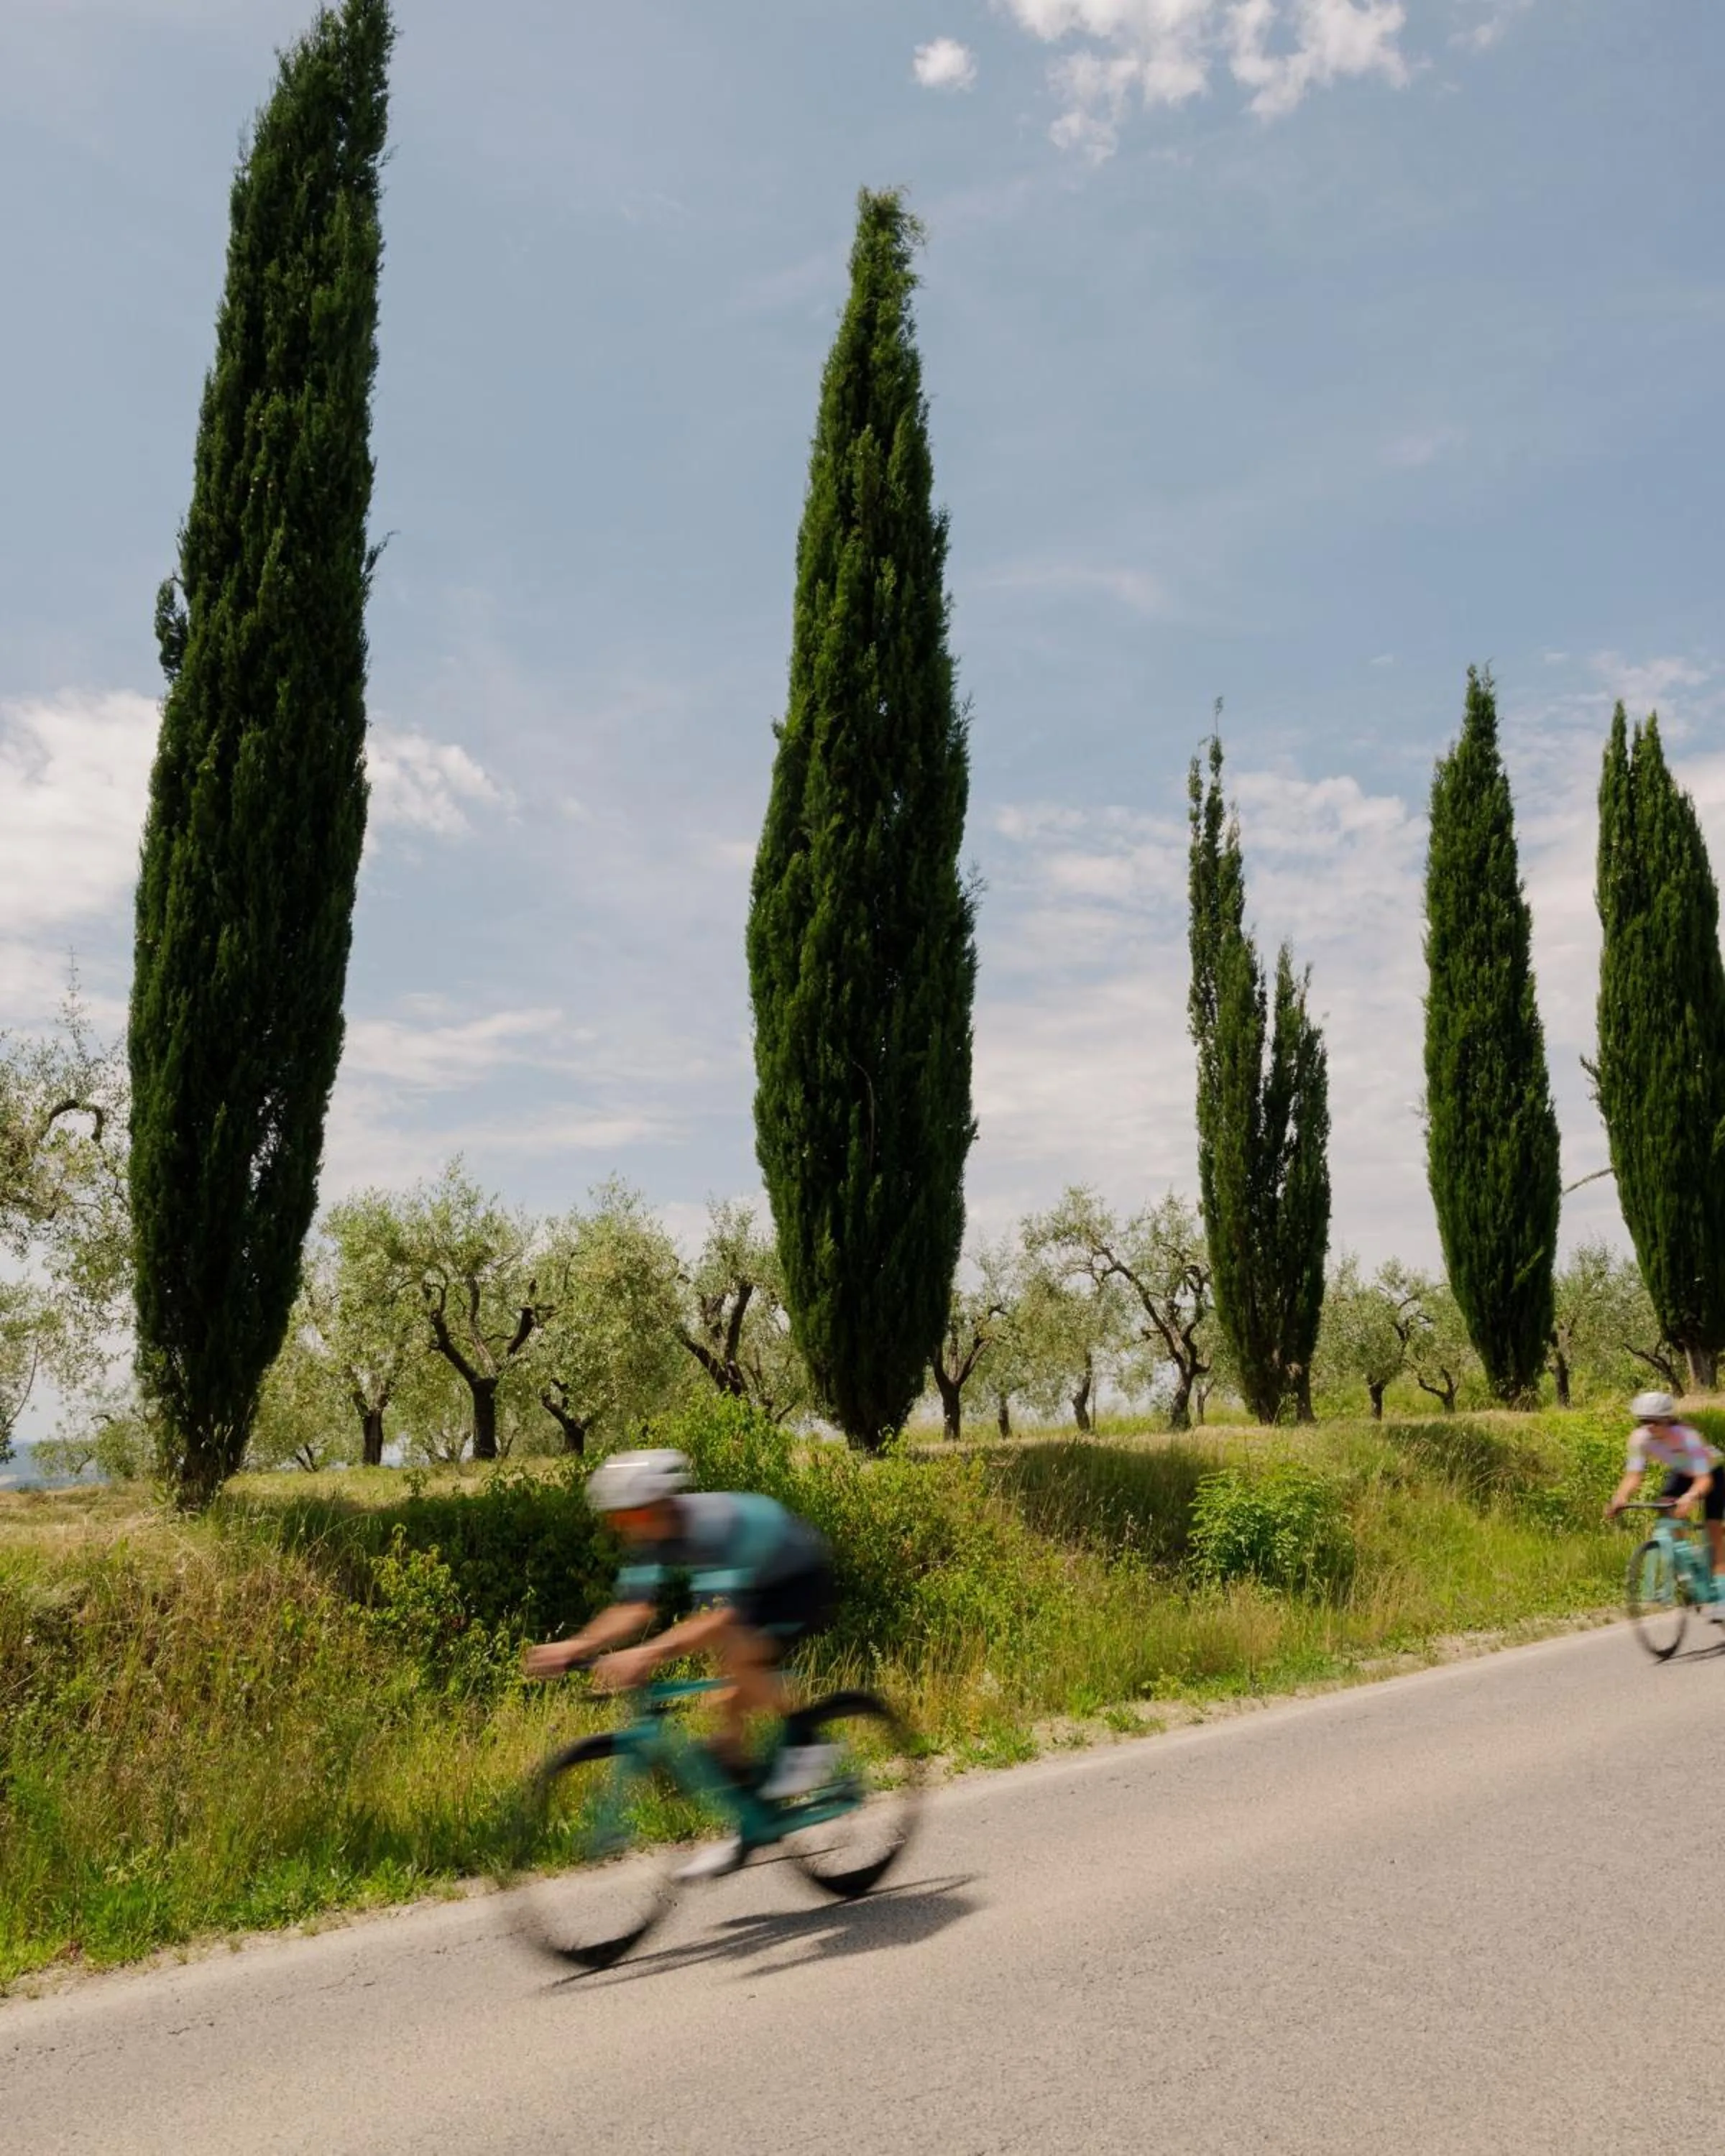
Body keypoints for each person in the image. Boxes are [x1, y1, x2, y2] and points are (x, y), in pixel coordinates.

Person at [523, 1448, 837, 1878]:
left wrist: (648, 1653)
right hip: (756, 1580)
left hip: (797, 1575)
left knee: (740, 1659)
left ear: (657, 1504)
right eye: (615, 1518)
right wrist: (575, 1646)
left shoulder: (708, 1529)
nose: (620, 1526)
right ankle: (750, 1824)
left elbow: (718, 1616)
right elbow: (634, 1610)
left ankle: (808, 1741)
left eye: (627, 1516)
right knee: (725, 1707)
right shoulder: (651, 1537)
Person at [1605, 1391, 1725, 1600]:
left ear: (1667, 1419)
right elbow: (1634, 1476)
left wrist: (1690, 1497)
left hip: (1711, 1473)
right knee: (1666, 1509)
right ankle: (1688, 1565)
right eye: (1644, 1420)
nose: (1650, 1426)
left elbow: (1704, 1479)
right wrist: (1620, 1497)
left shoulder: (1687, 1436)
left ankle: (1722, 1594)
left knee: (1713, 1529)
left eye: (1655, 1421)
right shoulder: (1639, 1439)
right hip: (1681, 1473)